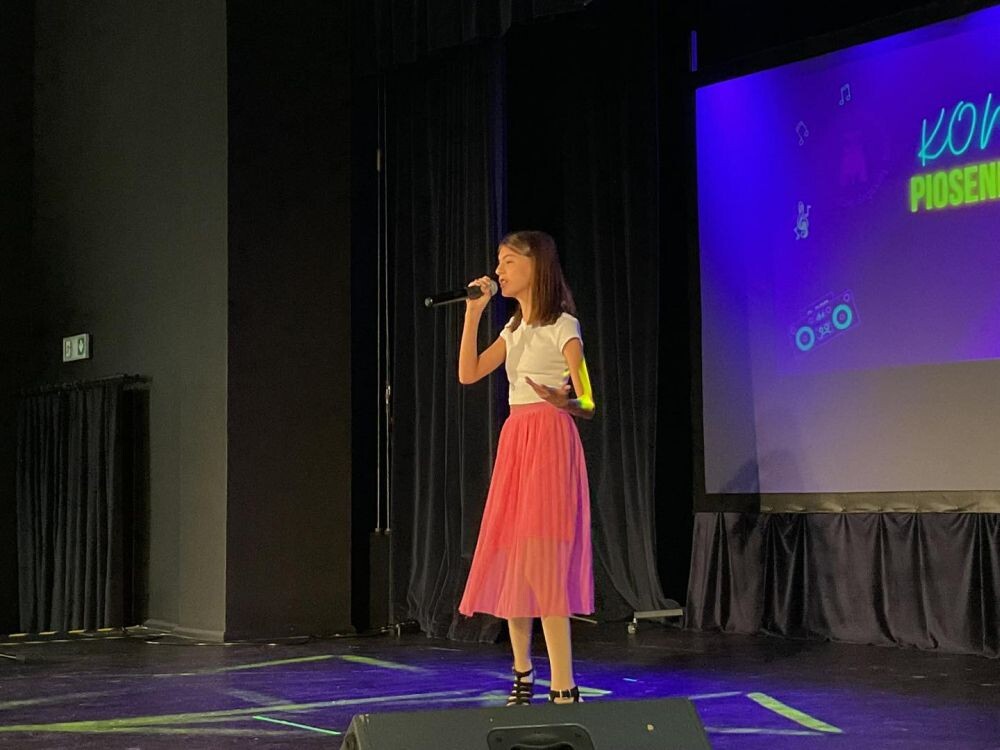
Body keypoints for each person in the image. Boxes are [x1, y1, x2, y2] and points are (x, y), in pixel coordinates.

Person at [457, 230, 595, 706]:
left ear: (536, 266)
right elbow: (468, 373)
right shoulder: (512, 330)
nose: (499, 270)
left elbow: (589, 400)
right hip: (516, 441)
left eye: (509, 261)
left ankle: (564, 683)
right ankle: (522, 671)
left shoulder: (564, 326)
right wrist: (473, 313)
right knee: (515, 556)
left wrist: (566, 400)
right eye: (499, 261)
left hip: (551, 441)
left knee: (544, 562)